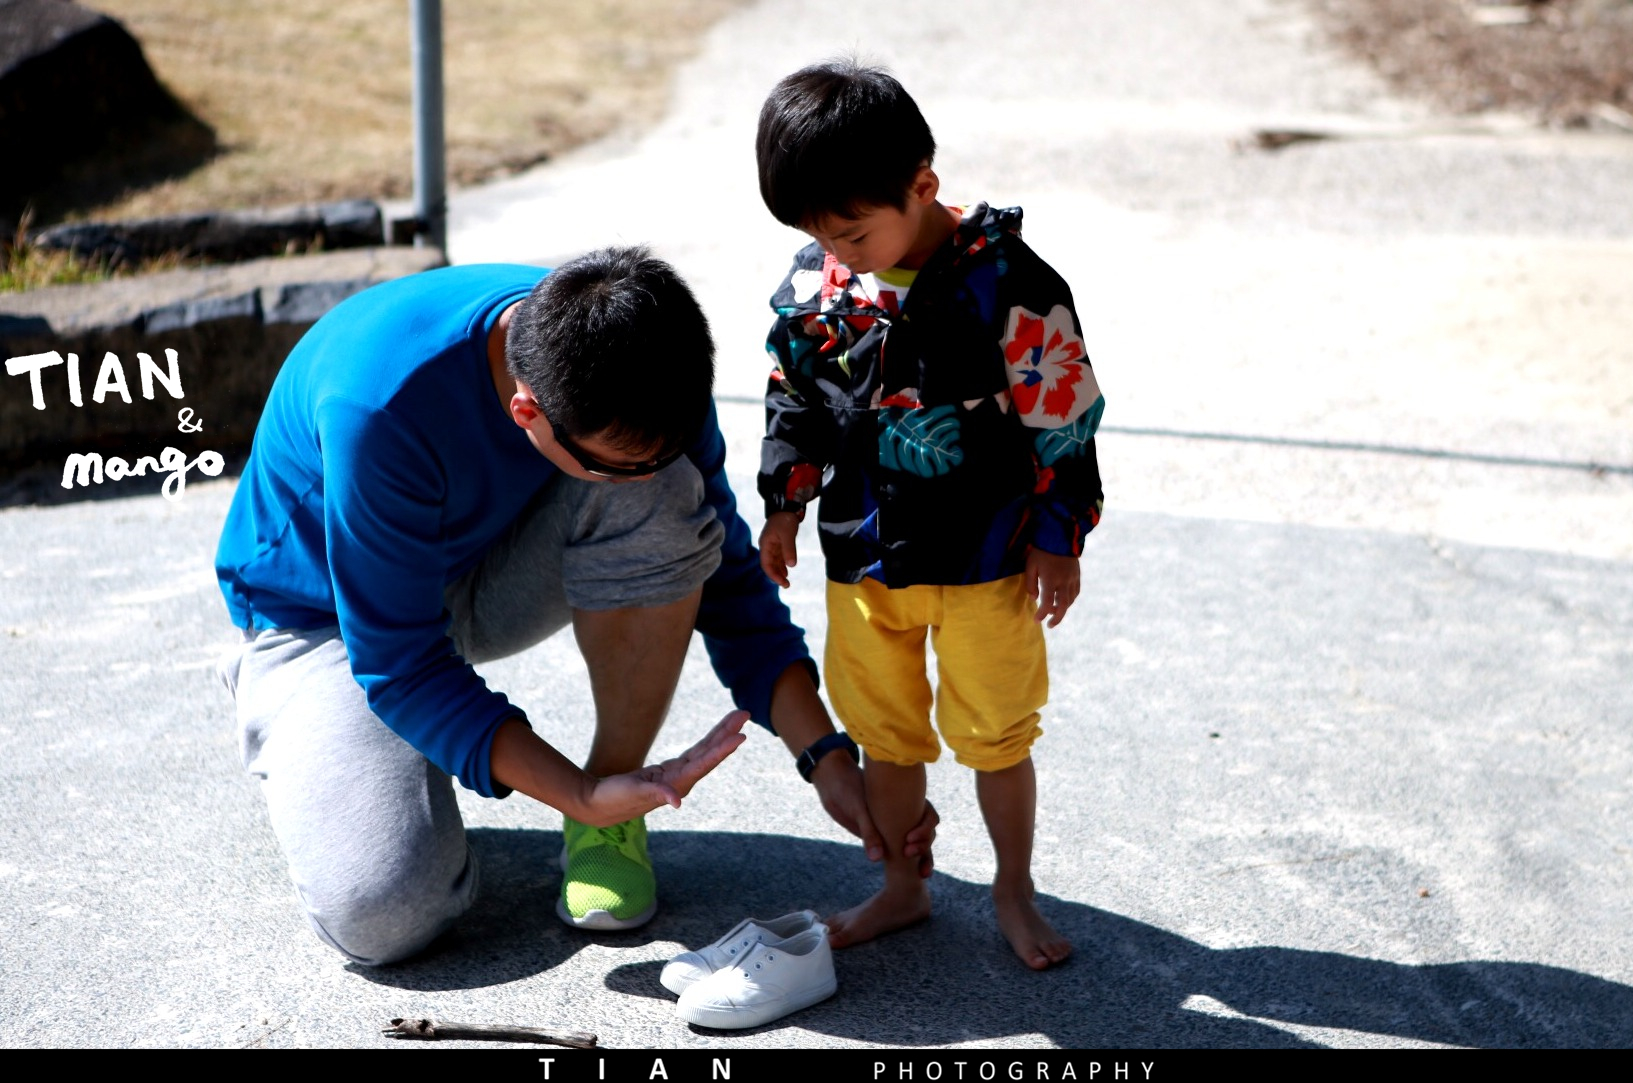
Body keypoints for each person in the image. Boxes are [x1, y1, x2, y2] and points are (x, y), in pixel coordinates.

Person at [214, 246, 935, 966]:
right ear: (526, 410)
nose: (652, 473)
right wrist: (576, 789)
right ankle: (286, 700)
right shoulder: (378, 405)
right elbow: (401, 663)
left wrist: (827, 756)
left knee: (668, 489)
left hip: (480, 564)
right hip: (325, 617)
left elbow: (725, 572)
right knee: (385, 911)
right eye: (616, 463)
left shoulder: (647, 364)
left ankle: (606, 815)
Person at [753, 60, 1105, 970]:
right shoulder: (819, 286)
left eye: (854, 231)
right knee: (885, 732)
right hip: (865, 558)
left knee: (995, 733)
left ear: (923, 186)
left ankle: (1012, 887)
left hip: (987, 553)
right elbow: (793, 394)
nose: (839, 250)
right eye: (816, 233)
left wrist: (1059, 538)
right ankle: (906, 886)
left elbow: (1063, 411)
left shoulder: (1006, 281)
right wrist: (785, 503)